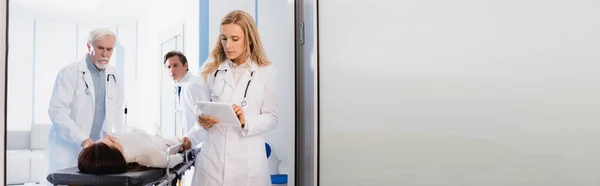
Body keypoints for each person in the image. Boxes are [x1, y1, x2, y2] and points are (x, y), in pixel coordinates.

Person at [191, 10, 279, 186]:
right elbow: (199, 108)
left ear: (249, 38)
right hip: (213, 161)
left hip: (247, 163)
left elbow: (272, 117)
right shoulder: (210, 70)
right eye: (224, 38)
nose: (227, 45)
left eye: (235, 39)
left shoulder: (266, 72)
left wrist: (246, 121)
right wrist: (202, 119)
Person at [45, 27, 125, 176]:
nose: (105, 54)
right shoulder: (69, 72)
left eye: (109, 49)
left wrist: (114, 137)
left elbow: (117, 110)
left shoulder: (113, 75)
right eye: (100, 48)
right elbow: (58, 112)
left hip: (97, 152)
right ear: (89, 46)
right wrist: (83, 140)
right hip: (69, 149)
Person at [77, 129, 185, 174]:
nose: (109, 136)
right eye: (111, 140)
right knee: (177, 141)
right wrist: (182, 154)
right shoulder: (146, 153)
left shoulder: (116, 145)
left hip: (149, 136)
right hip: (164, 143)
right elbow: (170, 161)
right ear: (114, 153)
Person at [163, 51, 205, 151]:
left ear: (185, 65)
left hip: (201, 145)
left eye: (175, 65)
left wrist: (191, 139)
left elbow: (204, 120)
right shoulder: (181, 86)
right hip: (193, 144)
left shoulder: (192, 86)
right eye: (168, 67)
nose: (172, 70)